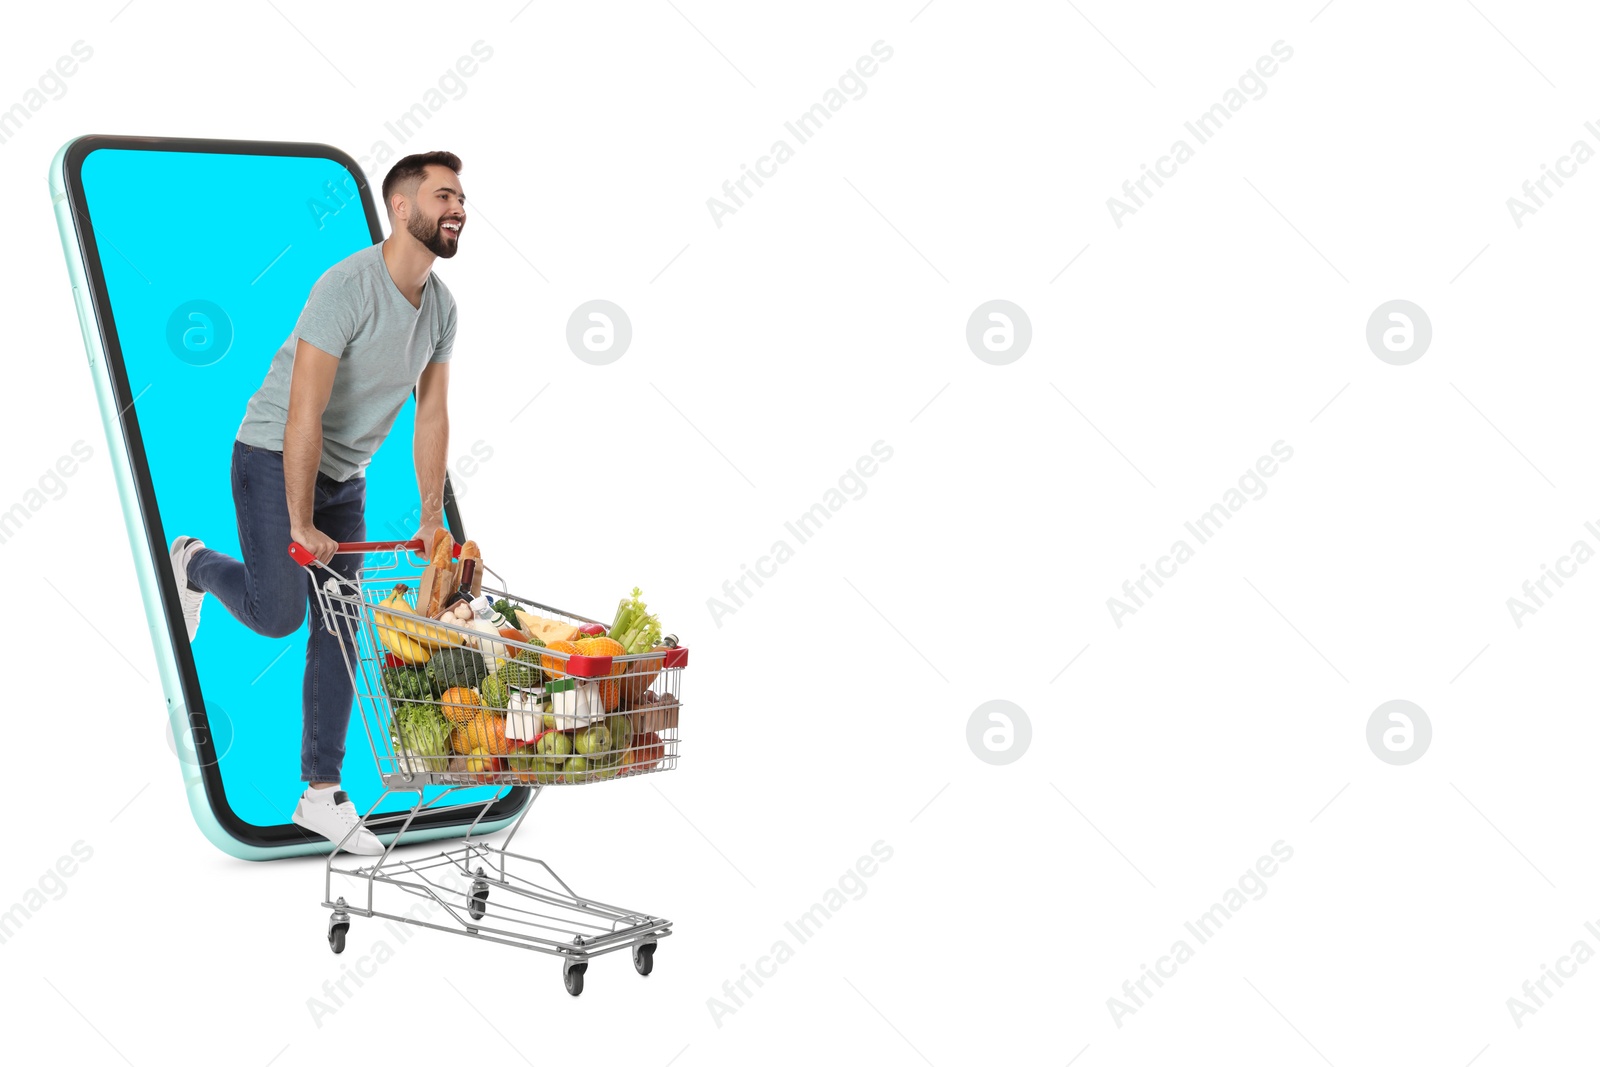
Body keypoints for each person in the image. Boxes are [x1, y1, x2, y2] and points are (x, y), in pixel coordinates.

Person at [168, 151, 467, 854]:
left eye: (461, 199)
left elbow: (431, 418)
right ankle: (194, 562)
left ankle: (321, 792)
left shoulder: (443, 310)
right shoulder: (347, 287)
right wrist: (300, 520)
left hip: (346, 475)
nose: (458, 209)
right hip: (273, 452)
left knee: (339, 624)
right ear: (401, 207)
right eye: (445, 195)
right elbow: (304, 408)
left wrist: (431, 516)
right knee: (280, 615)